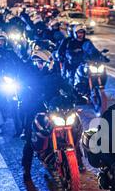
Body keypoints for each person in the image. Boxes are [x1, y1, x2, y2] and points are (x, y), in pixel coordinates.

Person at [21, 49, 81, 181]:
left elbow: (67, 87)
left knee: (75, 124)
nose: (38, 65)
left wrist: (75, 96)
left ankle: (79, 159)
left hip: (54, 109)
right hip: (36, 109)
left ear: (48, 63)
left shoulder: (55, 76)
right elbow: (24, 91)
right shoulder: (30, 75)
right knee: (29, 137)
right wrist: (27, 99)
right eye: (36, 62)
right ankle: (26, 168)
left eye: (41, 62)